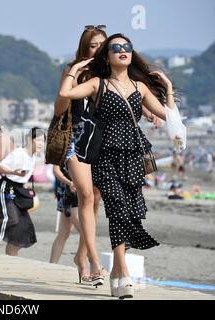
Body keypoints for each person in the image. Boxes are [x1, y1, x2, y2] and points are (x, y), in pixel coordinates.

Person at [59, 33, 177, 299]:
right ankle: (122, 270)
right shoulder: (97, 84)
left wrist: (168, 87)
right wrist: (76, 69)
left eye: (127, 47)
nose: (123, 51)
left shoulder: (140, 87)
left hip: (133, 155)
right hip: (104, 155)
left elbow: (170, 117)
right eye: (116, 48)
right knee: (116, 207)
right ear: (107, 56)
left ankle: (116, 271)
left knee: (128, 212)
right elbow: (65, 93)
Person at [53, 25, 106, 286]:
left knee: (94, 199)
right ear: (85, 48)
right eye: (94, 45)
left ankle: (81, 257)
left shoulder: (109, 74)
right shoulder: (72, 69)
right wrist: (74, 73)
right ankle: (95, 262)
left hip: (99, 141)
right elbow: (59, 107)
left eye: (102, 45)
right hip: (74, 138)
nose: (98, 50)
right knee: (85, 194)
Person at [0, 128, 45, 256]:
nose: (41, 143)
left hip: (18, 190)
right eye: (38, 140)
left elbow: (24, 178)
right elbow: (0, 167)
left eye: (43, 141)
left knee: (23, 228)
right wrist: (14, 172)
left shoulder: (33, 157)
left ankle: (11, 259)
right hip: (7, 188)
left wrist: (25, 190)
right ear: (29, 139)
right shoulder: (19, 153)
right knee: (11, 219)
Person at [49, 165, 81, 264]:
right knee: (85, 232)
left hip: (69, 188)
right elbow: (56, 170)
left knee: (64, 233)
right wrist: (69, 183)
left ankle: (52, 265)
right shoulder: (61, 149)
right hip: (70, 190)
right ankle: (92, 261)